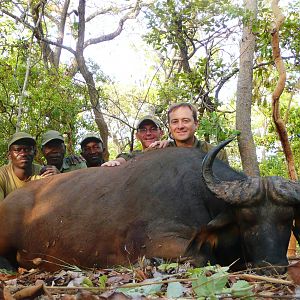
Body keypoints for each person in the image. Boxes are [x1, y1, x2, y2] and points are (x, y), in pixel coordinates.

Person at [151, 102, 228, 162]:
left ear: (196, 124)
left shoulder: (216, 154)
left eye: (185, 121)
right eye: (175, 122)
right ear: (170, 127)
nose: (180, 126)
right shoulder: (159, 151)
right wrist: (152, 150)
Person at [0, 132, 55, 201]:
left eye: (27, 149)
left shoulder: (44, 172)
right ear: (9, 155)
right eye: (17, 150)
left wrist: (57, 177)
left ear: (35, 153)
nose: (23, 154)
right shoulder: (2, 175)